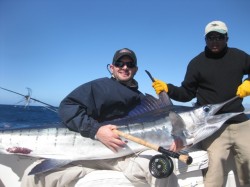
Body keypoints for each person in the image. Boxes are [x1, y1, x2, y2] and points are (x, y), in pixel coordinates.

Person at [21, 48, 179, 187]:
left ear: (135, 69)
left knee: (164, 170)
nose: (125, 67)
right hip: (86, 153)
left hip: (127, 156)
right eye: (119, 64)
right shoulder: (98, 87)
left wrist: (176, 141)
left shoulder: (141, 99)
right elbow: (67, 107)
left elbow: (158, 131)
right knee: (33, 175)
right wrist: (96, 130)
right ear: (112, 68)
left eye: (129, 65)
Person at [152, 20, 250, 187]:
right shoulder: (197, 63)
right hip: (211, 125)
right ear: (205, 39)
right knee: (215, 165)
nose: (214, 41)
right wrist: (168, 88)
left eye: (219, 37)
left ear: (227, 38)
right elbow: (186, 93)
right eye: (210, 37)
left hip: (240, 120)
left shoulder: (239, 56)